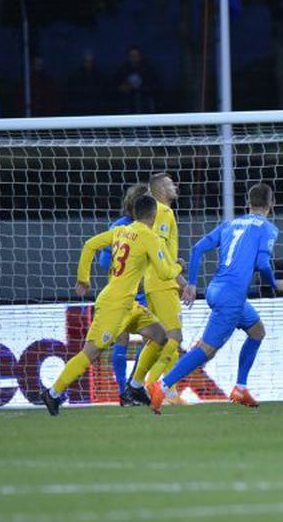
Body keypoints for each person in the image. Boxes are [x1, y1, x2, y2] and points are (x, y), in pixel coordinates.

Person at [148, 183, 283, 413]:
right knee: (207, 350)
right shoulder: (267, 228)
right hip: (231, 296)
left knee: (257, 332)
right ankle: (162, 385)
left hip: (217, 289)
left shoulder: (230, 224)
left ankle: (241, 388)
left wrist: (192, 283)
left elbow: (197, 249)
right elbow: (263, 263)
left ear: (248, 203)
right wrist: (275, 283)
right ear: (271, 204)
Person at [40, 195, 179, 415]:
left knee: (160, 335)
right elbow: (164, 272)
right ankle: (53, 393)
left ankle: (135, 386)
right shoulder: (149, 237)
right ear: (153, 216)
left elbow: (90, 245)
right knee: (91, 353)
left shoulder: (121, 231)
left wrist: (83, 278)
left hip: (127, 302)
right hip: (114, 304)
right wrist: (178, 268)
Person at [125, 172, 188, 402]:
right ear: (161, 189)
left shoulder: (158, 212)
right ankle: (158, 387)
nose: (175, 186)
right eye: (171, 183)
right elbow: (159, 247)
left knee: (161, 339)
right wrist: (180, 280)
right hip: (163, 282)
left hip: (155, 282)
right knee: (173, 337)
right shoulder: (163, 211)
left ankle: (141, 385)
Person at [94, 182, 159, 405]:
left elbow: (104, 262)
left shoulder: (118, 227)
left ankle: (126, 391)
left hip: (123, 291)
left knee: (122, 340)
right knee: (150, 338)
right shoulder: (148, 227)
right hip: (139, 292)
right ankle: (131, 387)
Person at [115, 45, 158, 114]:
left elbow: (154, 86)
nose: (134, 58)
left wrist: (140, 87)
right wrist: (123, 88)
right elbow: (115, 86)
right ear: (128, 57)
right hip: (127, 103)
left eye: (136, 56)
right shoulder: (122, 70)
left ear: (140, 56)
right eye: (132, 56)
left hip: (144, 103)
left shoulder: (148, 70)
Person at [66, 50, 107, 116]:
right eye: (86, 61)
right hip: (79, 110)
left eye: (91, 62)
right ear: (82, 62)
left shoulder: (101, 77)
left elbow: (103, 95)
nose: (89, 64)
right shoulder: (74, 77)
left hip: (97, 111)